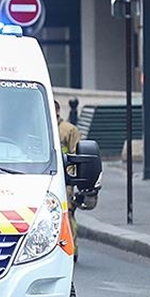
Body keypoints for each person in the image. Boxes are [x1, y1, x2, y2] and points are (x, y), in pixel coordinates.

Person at [57, 100, 82, 247]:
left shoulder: (69, 130)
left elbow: (76, 154)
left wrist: (74, 179)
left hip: (65, 180)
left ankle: (71, 247)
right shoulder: (37, 128)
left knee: (67, 213)